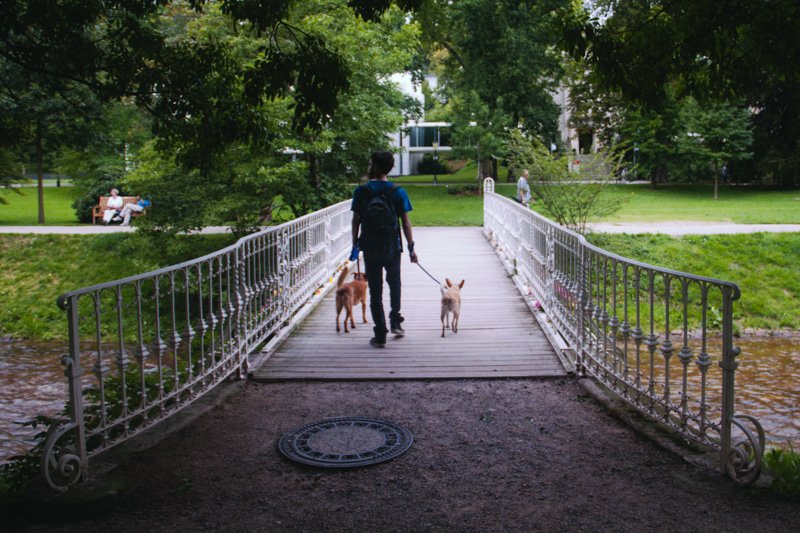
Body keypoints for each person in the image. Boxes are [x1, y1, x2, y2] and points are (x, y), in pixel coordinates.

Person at [350, 151, 418, 348]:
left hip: (370, 247)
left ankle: (380, 333)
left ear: (375, 166)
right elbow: (405, 223)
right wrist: (411, 247)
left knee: (376, 291)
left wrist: (354, 243)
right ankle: (395, 321)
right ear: (389, 168)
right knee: (395, 284)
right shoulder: (398, 191)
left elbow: (356, 220)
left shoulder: (361, 192)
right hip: (392, 247)